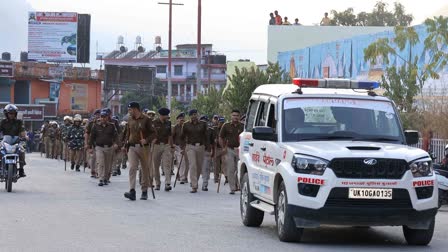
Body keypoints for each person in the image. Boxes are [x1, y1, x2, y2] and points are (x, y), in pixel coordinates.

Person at [122, 102, 157, 201]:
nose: (129, 112)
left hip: (144, 147)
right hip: (132, 147)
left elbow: (154, 133)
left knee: (145, 169)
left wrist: (146, 140)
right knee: (132, 167)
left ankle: (144, 191)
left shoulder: (146, 119)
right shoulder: (129, 119)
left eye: (130, 110)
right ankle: (132, 191)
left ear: (135, 109)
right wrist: (125, 145)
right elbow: (128, 134)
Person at [181, 109, 209, 193]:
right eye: (192, 114)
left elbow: (206, 136)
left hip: (200, 146)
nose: (194, 116)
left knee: (199, 166)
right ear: (190, 116)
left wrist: (208, 147)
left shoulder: (203, 124)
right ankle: (194, 185)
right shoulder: (186, 125)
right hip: (190, 146)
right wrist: (183, 147)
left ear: (198, 115)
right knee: (192, 165)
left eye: (195, 114)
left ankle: (194, 181)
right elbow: (181, 137)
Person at [89, 110, 119, 186]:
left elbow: (116, 136)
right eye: (101, 117)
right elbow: (92, 137)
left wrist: (116, 143)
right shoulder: (95, 126)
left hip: (109, 147)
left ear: (107, 118)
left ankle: (106, 178)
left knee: (107, 164)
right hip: (99, 147)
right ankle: (101, 179)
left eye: (104, 117)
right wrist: (90, 147)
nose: (103, 119)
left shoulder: (112, 126)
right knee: (100, 162)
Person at [219, 109, 244, 194]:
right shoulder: (226, 126)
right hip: (229, 149)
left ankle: (239, 185)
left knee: (239, 169)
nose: (235, 117)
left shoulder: (243, 126)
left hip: (240, 150)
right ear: (231, 116)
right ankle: (232, 188)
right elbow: (221, 137)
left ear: (239, 117)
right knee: (230, 169)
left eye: (237, 116)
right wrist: (223, 147)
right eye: (234, 115)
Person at [0, 104, 27, 177]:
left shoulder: (19, 122)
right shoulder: (3, 122)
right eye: (10, 113)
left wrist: (25, 136)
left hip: (16, 141)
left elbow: (22, 131)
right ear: (6, 114)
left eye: (13, 113)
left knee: (22, 151)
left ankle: (21, 169)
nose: (11, 115)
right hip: (5, 141)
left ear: (15, 114)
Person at [152, 108, 174, 191]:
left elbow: (170, 135)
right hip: (156, 146)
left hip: (166, 145)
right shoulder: (154, 123)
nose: (167, 116)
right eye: (166, 115)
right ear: (162, 115)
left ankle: (167, 183)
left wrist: (170, 146)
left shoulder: (168, 123)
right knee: (156, 166)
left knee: (167, 164)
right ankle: (157, 183)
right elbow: (150, 134)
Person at [172, 113, 189, 184]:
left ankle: (184, 176)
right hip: (178, 147)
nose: (181, 120)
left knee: (186, 163)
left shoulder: (187, 127)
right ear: (177, 120)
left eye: (183, 119)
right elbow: (172, 137)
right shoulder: (175, 127)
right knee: (181, 162)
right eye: (180, 119)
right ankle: (182, 177)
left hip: (186, 146)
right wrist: (172, 145)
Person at [85, 109, 101, 178]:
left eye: (99, 114)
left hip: (100, 142)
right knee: (94, 157)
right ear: (95, 115)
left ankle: (98, 172)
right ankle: (93, 170)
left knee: (99, 158)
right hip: (92, 143)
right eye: (97, 114)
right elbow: (87, 134)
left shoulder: (103, 122)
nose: (98, 116)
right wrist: (86, 143)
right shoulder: (91, 123)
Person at [199, 115, 214, 191]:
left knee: (206, 168)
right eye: (202, 121)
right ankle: (194, 182)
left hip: (206, 150)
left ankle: (205, 184)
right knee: (195, 167)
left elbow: (212, 142)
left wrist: (213, 151)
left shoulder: (210, 130)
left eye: (205, 121)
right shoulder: (196, 129)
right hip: (197, 150)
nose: (204, 123)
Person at [213, 116, 226, 184]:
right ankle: (216, 177)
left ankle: (227, 177)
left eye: (223, 122)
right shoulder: (214, 129)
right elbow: (211, 137)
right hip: (216, 148)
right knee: (216, 164)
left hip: (224, 148)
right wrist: (214, 140)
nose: (222, 123)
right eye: (220, 122)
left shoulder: (226, 129)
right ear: (218, 122)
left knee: (224, 163)